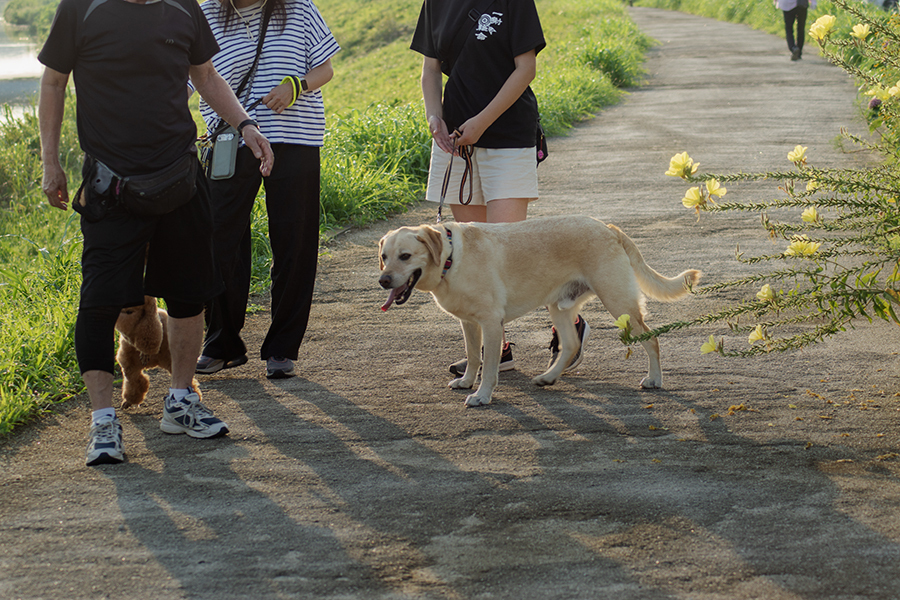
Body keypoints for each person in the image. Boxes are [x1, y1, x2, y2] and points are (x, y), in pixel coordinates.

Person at [39, 0, 275, 466]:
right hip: (111, 184)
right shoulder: (81, 8)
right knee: (100, 299)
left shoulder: (181, 7)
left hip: (180, 178)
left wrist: (245, 124)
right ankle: (104, 422)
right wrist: (50, 161)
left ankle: (181, 401)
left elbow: (205, 76)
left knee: (191, 295)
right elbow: (53, 81)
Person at [410, 0, 590, 377]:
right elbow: (430, 69)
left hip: (508, 137)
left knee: (511, 249)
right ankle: (498, 349)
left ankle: (569, 325)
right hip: (456, 140)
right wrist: (434, 117)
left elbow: (526, 68)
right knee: (471, 255)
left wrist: (482, 121)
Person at [194, 0, 340, 380]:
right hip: (231, 141)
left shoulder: (299, 8)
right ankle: (222, 344)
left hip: (296, 138)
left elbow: (325, 68)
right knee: (219, 239)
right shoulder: (205, 13)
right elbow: (193, 77)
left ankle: (281, 348)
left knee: (295, 242)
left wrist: (297, 86)